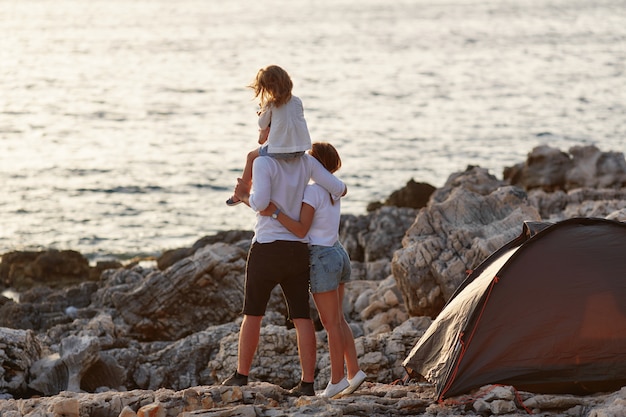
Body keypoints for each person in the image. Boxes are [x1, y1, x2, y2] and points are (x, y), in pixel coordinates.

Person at [221, 134, 347, 397]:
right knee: (302, 317)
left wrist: (244, 196)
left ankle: (241, 375)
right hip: (297, 250)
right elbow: (339, 188)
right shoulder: (306, 162)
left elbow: (260, 203)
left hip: (267, 247)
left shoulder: (264, 162)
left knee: (253, 313)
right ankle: (308, 383)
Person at [260, 142, 366, 399]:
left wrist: (273, 212)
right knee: (339, 320)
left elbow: (300, 230)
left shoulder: (312, 192)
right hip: (338, 253)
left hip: (322, 258)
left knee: (330, 324)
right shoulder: (332, 190)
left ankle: (337, 380)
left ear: (315, 164)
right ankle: (354, 372)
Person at [226, 65, 311, 206]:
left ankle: (241, 193)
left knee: (251, 156)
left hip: (280, 150)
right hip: (301, 149)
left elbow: (262, 124)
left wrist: (262, 112)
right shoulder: (297, 101)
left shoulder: (271, 104)